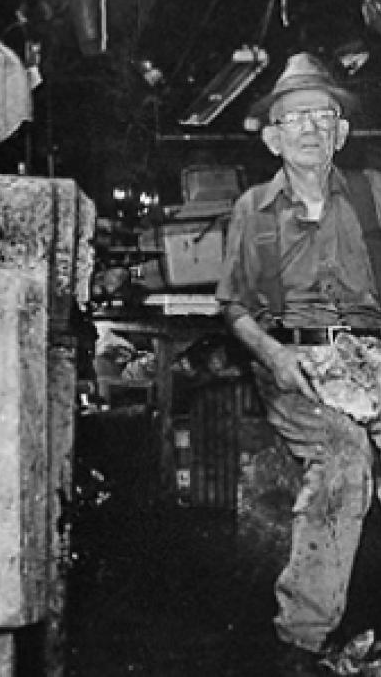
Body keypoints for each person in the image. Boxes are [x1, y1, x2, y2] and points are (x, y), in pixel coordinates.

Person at [216, 52, 381, 671]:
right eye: (296, 117)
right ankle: (303, 639)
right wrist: (277, 357)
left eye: (324, 116)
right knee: (343, 458)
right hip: (299, 362)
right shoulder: (253, 210)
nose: (311, 128)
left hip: (374, 355)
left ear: (340, 131)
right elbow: (234, 309)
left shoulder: (373, 194)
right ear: (272, 136)